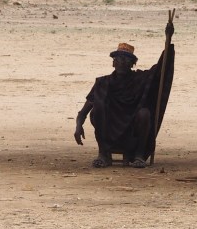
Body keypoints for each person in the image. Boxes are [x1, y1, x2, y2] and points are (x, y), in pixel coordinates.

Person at [74, 18, 175, 168]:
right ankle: (103, 153)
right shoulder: (103, 83)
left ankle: (139, 155)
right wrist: (78, 126)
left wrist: (168, 39)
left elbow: (161, 69)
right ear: (113, 62)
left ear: (133, 64)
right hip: (108, 127)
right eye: (118, 59)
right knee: (98, 108)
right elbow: (84, 111)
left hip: (132, 127)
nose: (121, 62)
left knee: (144, 113)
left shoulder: (140, 78)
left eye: (126, 59)